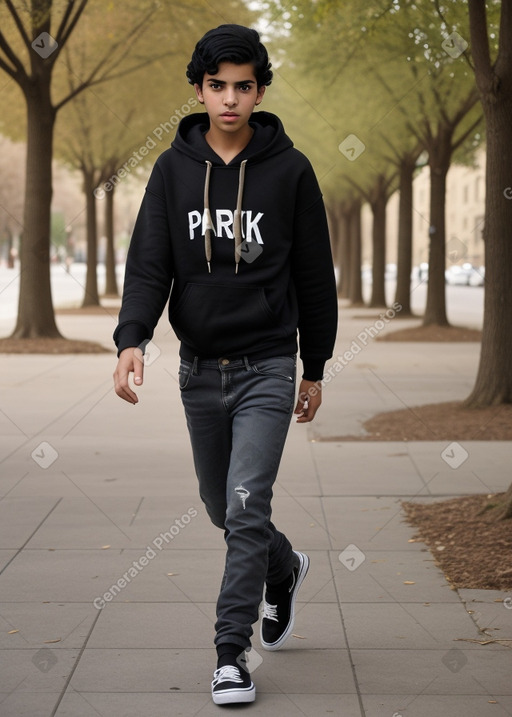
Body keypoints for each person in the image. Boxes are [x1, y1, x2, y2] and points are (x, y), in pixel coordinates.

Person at [113, 24, 338, 706]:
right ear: (199, 90)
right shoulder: (173, 170)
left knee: (246, 506)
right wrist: (132, 338)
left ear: (260, 89)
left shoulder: (290, 170)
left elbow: (312, 272)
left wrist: (315, 363)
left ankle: (229, 654)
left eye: (244, 86)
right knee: (222, 506)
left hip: (268, 363)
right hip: (199, 369)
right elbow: (150, 261)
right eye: (218, 86)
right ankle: (284, 565)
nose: (231, 99)